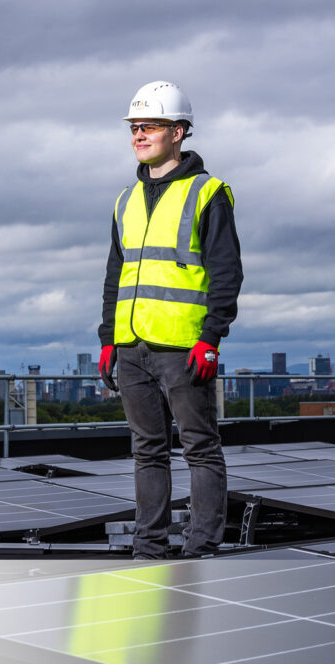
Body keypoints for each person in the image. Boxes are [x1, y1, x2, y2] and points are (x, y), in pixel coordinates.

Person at [98, 80, 243, 559]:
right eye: (134, 127)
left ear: (178, 132)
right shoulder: (125, 200)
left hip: (184, 348)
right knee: (147, 452)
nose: (139, 135)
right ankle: (149, 549)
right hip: (131, 348)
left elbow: (227, 272)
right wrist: (107, 338)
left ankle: (200, 549)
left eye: (150, 126)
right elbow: (115, 274)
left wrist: (210, 338)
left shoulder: (209, 193)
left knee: (199, 447)